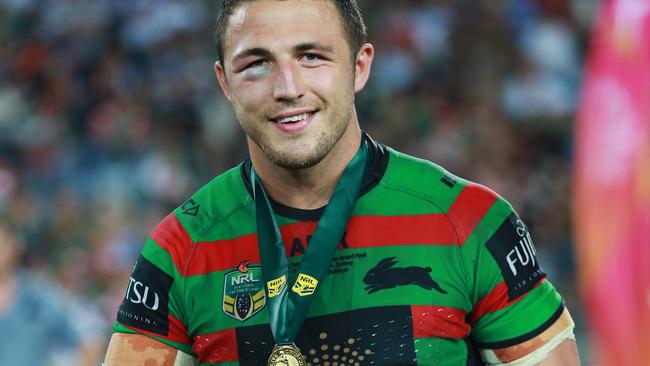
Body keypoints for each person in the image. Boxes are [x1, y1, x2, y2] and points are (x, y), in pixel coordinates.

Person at [104, 1, 580, 365]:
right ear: (225, 82)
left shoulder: (472, 224)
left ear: (360, 67)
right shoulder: (178, 250)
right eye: (256, 63)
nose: (287, 87)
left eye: (311, 56)